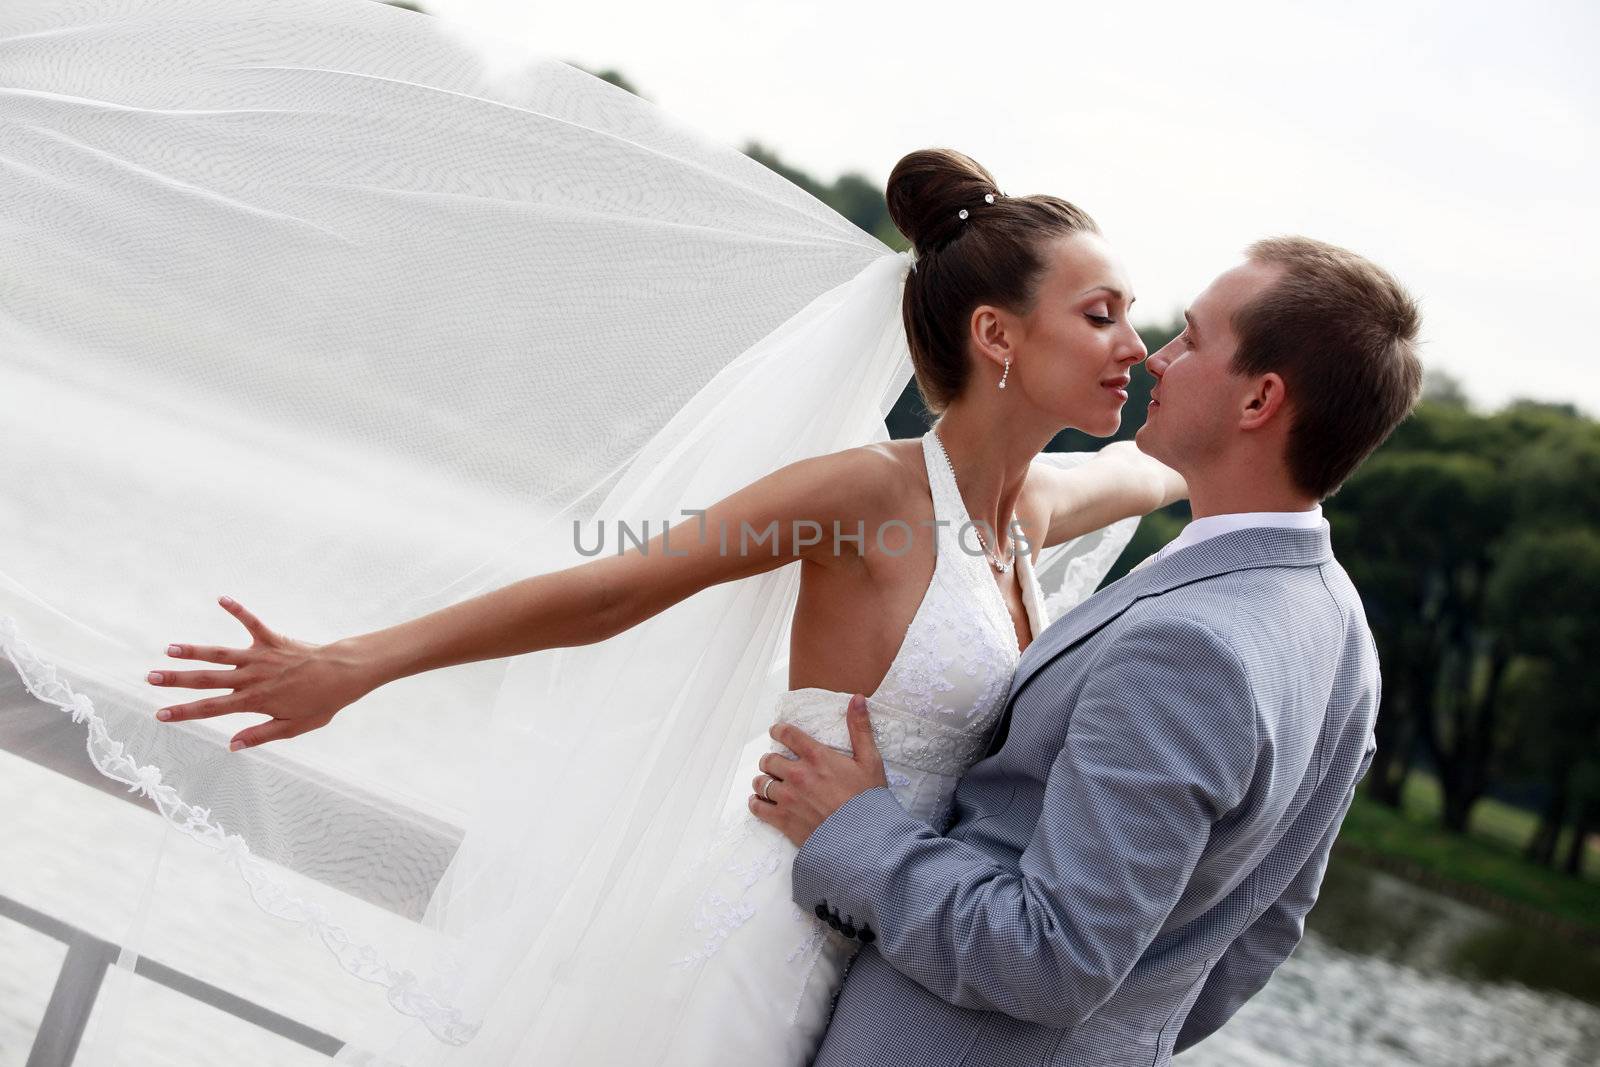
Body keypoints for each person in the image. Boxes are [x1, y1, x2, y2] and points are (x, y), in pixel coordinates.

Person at [138, 143, 1184, 1062]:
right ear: (998, 336)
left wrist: (1271, 420)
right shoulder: (865, 493)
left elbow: (1165, 469)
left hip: (880, 961)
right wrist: (355, 662)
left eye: (1133, 318)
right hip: (756, 945)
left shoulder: (1031, 511)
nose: (1134, 347)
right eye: (1101, 316)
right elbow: (613, 587)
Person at [752, 235, 1423, 1065]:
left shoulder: (1194, 647)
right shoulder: (1344, 636)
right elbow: (1257, 930)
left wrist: (860, 828)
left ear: (1259, 401)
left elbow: (1050, 961)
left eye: (1192, 338)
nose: (1157, 358)